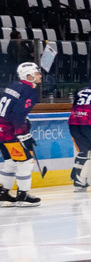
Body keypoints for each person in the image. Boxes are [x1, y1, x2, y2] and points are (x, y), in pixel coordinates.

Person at [0, 62, 42, 206]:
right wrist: (24, 134)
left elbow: (11, 109)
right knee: (24, 161)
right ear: (28, 76)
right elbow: (17, 116)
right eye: (36, 74)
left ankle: (3, 193)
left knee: (10, 162)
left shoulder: (13, 85)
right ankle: (23, 195)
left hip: (1, 130)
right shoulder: (29, 91)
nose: (39, 76)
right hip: (9, 132)